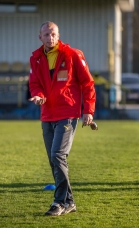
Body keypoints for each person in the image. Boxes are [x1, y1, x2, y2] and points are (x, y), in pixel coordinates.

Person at [28, 21, 96, 216]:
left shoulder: (73, 55)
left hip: (67, 114)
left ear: (58, 35)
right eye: (46, 34)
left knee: (58, 155)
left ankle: (58, 203)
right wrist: (38, 95)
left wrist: (88, 110)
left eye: (53, 34)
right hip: (47, 114)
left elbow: (88, 84)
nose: (50, 38)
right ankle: (70, 202)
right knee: (54, 160)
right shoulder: (36, 58)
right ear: (39, 37)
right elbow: (35, 83)